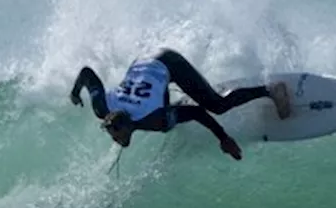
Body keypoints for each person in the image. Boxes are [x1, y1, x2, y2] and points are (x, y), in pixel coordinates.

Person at [68, 48, 291, 160]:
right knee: (166, 113)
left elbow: (196, 112)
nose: (118, 141)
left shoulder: (155, 119)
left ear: (129, 125)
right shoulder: (102, 107)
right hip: (144, 60)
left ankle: (270, 90)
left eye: (119, 135)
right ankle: (168, 95)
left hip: (168, 62)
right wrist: (75, 92)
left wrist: (223, 138)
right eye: (115, 136)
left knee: (217, 106)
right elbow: (87, 74)